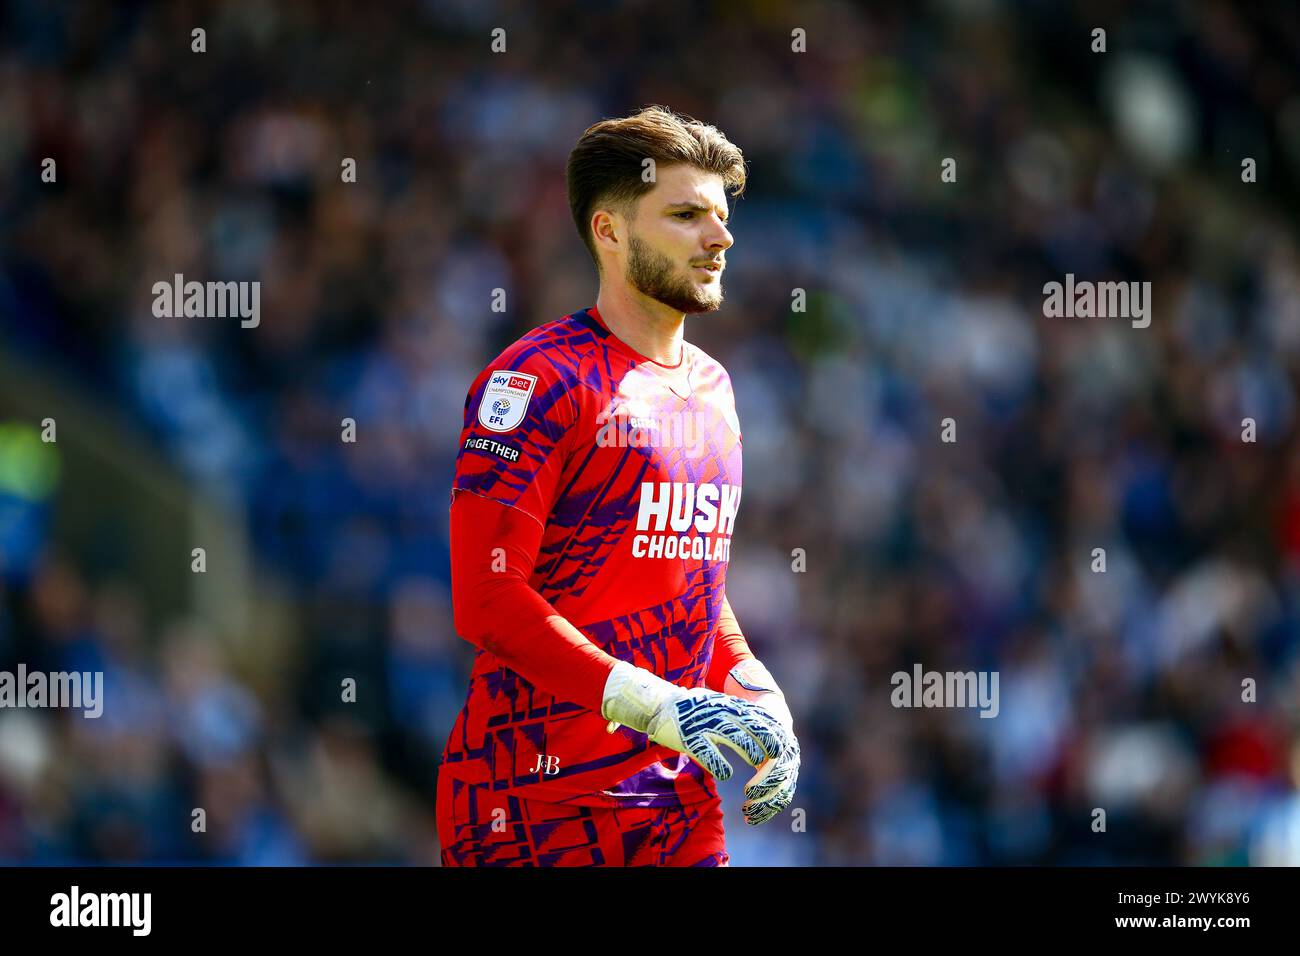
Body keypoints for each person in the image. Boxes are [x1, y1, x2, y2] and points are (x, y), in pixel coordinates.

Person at [437, 105, 800, 867]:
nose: (720, 237)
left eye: (722, 216)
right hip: (533, 803)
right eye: (685, 215)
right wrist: (657, 705)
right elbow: (485, 600)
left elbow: (688, 585)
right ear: (609, 232)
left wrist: (757, 693)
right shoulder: (535, 381)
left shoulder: (714, 388)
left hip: (675, 803)